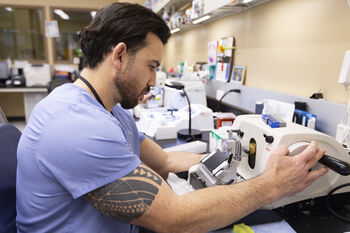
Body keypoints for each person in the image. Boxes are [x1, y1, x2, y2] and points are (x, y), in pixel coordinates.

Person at [16, 2, 328, 233]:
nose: (154, 81)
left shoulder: (109, 109)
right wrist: (271, 185)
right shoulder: (74, 123)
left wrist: (232, 159)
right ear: (120, 56)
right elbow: (174, 217)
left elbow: (164, 162)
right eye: (152, 66)